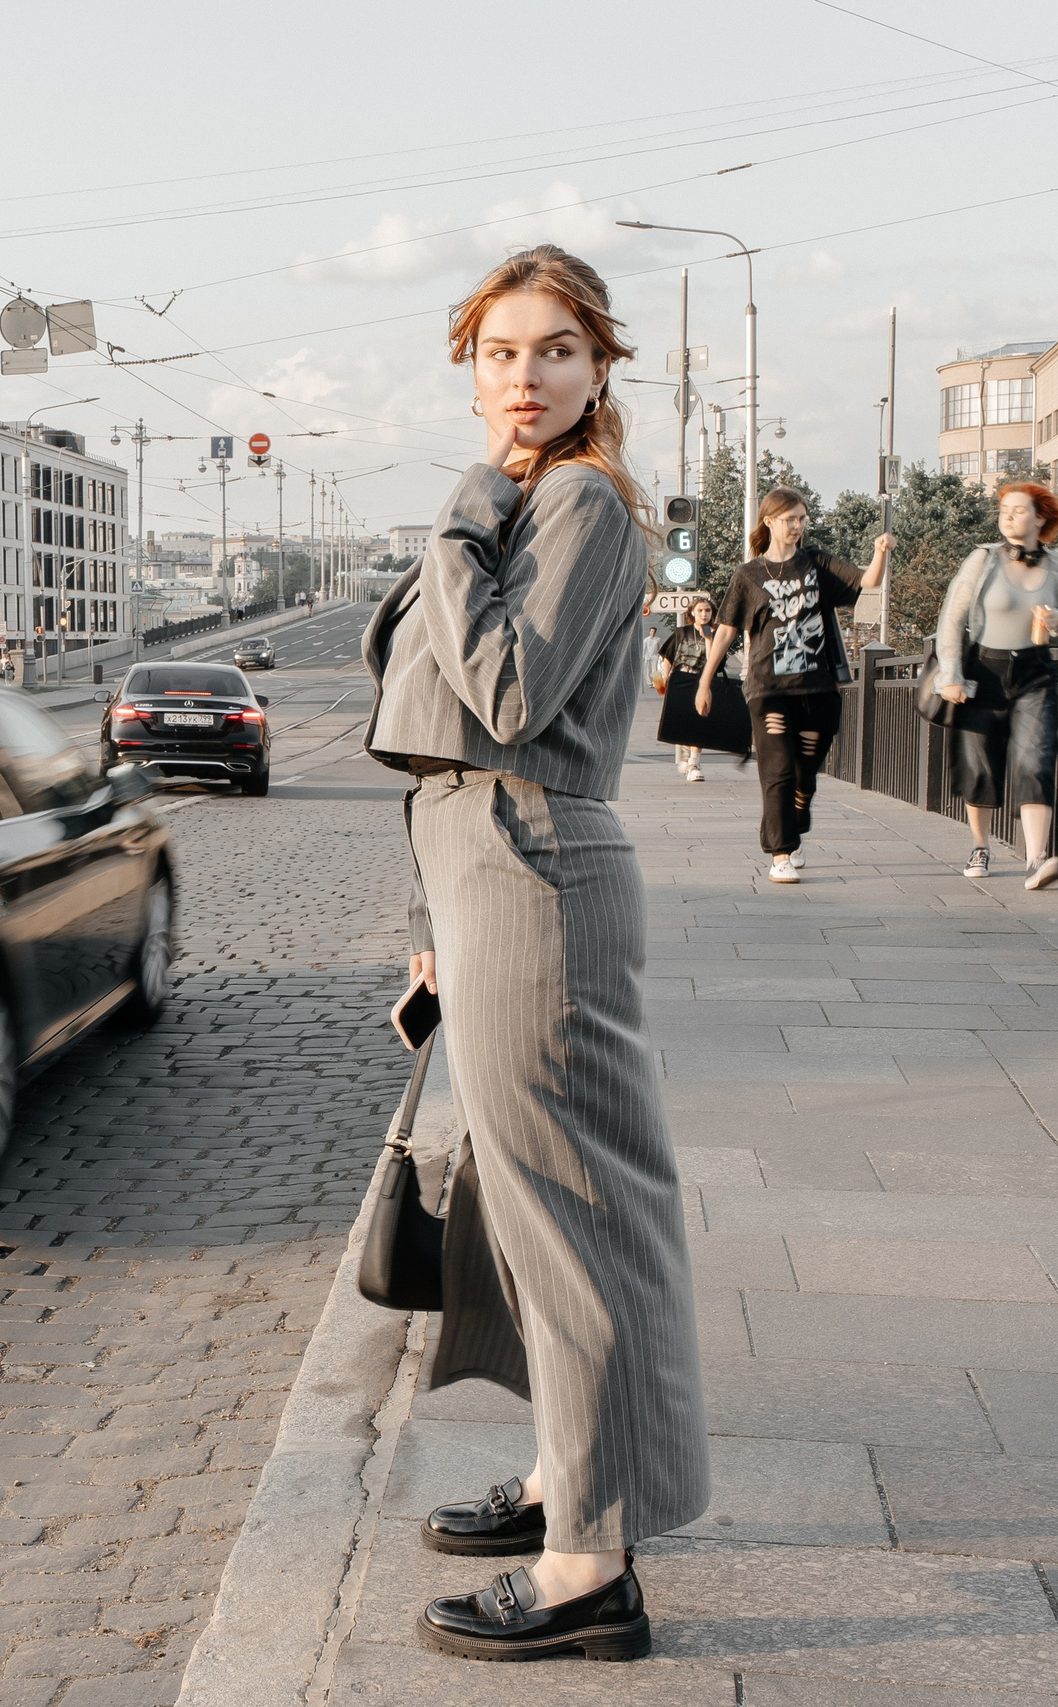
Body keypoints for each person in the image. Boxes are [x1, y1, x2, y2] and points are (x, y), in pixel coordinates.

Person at [361, 244, 708, 1664]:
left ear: (599, 367)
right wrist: (435, 925)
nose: (526, 375)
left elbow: (503, 692)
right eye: (501, 352)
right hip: (489, 872)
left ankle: (590, 1561)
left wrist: (461, 511)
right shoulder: (529, 498)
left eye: (555, 349)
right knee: (529, 1212)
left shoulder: (573, 499)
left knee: (573, 1220)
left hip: (534, 863)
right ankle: (577, 1474)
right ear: (471, 365)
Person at [696, 489, 892, 883]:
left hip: (818, 688)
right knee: (779, 770)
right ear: (770, 521)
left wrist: (881, 551)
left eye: (803, 519)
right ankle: (780, 852)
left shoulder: (817, 563)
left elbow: (868, 582)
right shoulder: (748, 576)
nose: (799, 526)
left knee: (805, 774)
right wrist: (705, 682)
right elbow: (725, 632)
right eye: (791, 519)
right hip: (768, 689)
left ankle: (797, 817)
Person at [933, 482, 1058, 887]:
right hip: (983, 670)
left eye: (1018, 510)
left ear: (1040, 517)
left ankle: (1036, 859)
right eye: (1004, 509)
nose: (1008, 516)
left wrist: (1056, 622)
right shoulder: (982, 559)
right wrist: (950, 676)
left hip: (1035, 672)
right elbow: (953, 616)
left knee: (1035, 760)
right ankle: (980, 845)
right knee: (979, 763)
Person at [655, 595, 721, 780]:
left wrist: (708, 638)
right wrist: (664, 679)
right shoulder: (681, 632)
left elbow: (714, 660)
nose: (704, 614)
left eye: (708, 610)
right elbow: (667, 656)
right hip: (679, 681)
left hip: (702, 682)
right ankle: (686, 754)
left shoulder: (715, 634)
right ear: (692, 612)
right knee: (681, 722)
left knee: (698, 721)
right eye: (700, 610)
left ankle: (694, 763)